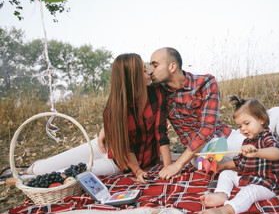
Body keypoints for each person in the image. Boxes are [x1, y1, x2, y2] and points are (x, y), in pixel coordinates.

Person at [139, 46, 279, 189]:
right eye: (148, 66)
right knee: (262, 157)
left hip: (226, 136)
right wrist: (172, 166)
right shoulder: (159, 94)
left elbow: (208, 127)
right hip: (207, 153)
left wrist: (178, 165)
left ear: (172, 66)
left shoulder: (205, 82)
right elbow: (166, 134)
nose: (150, 69)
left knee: (278, 113)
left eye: (154, 64)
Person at [2, 53, 171, 185]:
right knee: (43, 167)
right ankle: (23, 171)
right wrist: (137, 171)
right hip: (108, 147)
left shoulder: (156, 93)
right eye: (143, 70)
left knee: (65, 174)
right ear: (132, 78)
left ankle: (20, 180)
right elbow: (122, 145)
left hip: (119, 162)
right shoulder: (115, 108)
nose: (149, 71)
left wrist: (137, 171)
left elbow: (160, 132)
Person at [199, 96, 279, 214]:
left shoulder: (267, 136)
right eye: (239, 126)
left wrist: (257, 152)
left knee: (249, 193)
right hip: (249, 177)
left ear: (261, 119)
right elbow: (239, 161)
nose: (243, 129)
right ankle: (221, 194)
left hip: (267, 184)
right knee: (226, 174)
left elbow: (278, 153)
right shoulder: (247, 141)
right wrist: (223, 166)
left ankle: (226, 210)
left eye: (246, 123)